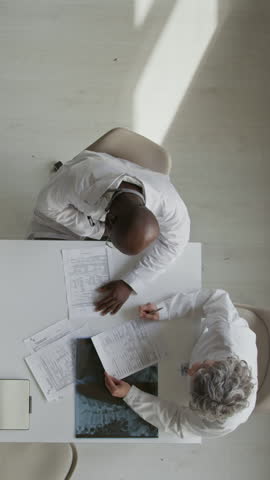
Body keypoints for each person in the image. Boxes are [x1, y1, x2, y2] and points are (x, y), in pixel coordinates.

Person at [29, 146, 190, 315]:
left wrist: (131, 283)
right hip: (92, 170)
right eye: (110, 240)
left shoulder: (170, 206)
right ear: (110, 221)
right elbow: (46, 207)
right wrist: (97, 231)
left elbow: (175, 245)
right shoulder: (81, 179)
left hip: (129, 178)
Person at [104, 289, 257, 438]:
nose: (190, 370)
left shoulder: (221, 424)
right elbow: (213, 299)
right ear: (221, 361)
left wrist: (131, 396)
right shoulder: (228, 333)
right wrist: (166, 310)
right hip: (191, 338)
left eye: (194, 375)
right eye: (202, 365)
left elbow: (177, 421)